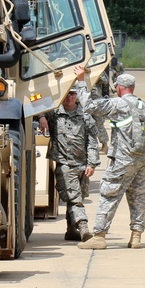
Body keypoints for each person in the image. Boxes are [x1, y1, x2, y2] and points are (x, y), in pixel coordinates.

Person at [72, 65, 145, 250]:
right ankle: (136, 236)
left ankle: (100, 235)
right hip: (142, 161)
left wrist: (81, 81)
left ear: (119, 87)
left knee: (109, 194)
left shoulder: (117, 104)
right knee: (138, 196)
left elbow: (88, 106)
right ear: (133, 88)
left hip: (121, 160)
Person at [39, 90, 100, 241]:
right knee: (75, 199)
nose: (69, 97)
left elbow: (92, 142)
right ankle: (83, 227)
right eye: (67, 94)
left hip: (83, 165)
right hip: (65, 164)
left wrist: (92, 164)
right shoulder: (54, 114)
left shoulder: (85, 116)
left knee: (76, 197)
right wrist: (41, 117)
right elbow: (36, 105)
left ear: (77, 96)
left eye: (72, 94)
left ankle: (71, 230)